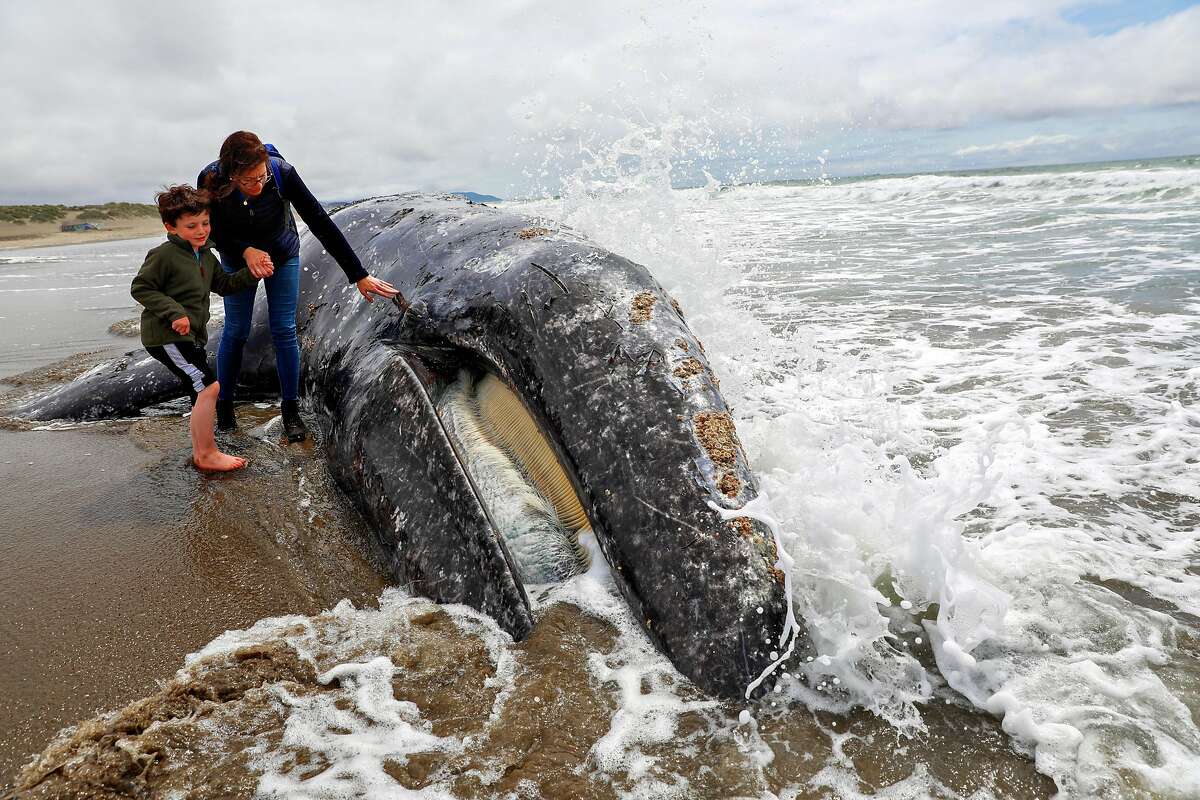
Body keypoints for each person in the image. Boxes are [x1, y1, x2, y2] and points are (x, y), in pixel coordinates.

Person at [199, 131, 398, 442]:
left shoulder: (282, 173)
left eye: (261, 175)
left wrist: (358, 274)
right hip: (238, 256)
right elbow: (211, 229)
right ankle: (225, 410)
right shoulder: (211, 179)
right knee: (236, 330)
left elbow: (321, 223)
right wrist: (245, 251)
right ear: (232, 175)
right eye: (249, 180)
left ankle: (290, 410)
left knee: (284, 329)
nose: (258, 184)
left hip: (282, 250)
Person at [131, 185, 260, 472]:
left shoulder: (204, 255)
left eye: (205, 223)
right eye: (191, 226)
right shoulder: (163, 255)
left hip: (189, 336)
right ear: (171, 227)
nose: (201, 230)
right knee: (209, 386)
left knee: (200, 389)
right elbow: (140, 287)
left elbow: (223, 286)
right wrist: (174, 312)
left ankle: (203, 448)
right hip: (166, 335)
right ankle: (206, 454)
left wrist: (251, 273)